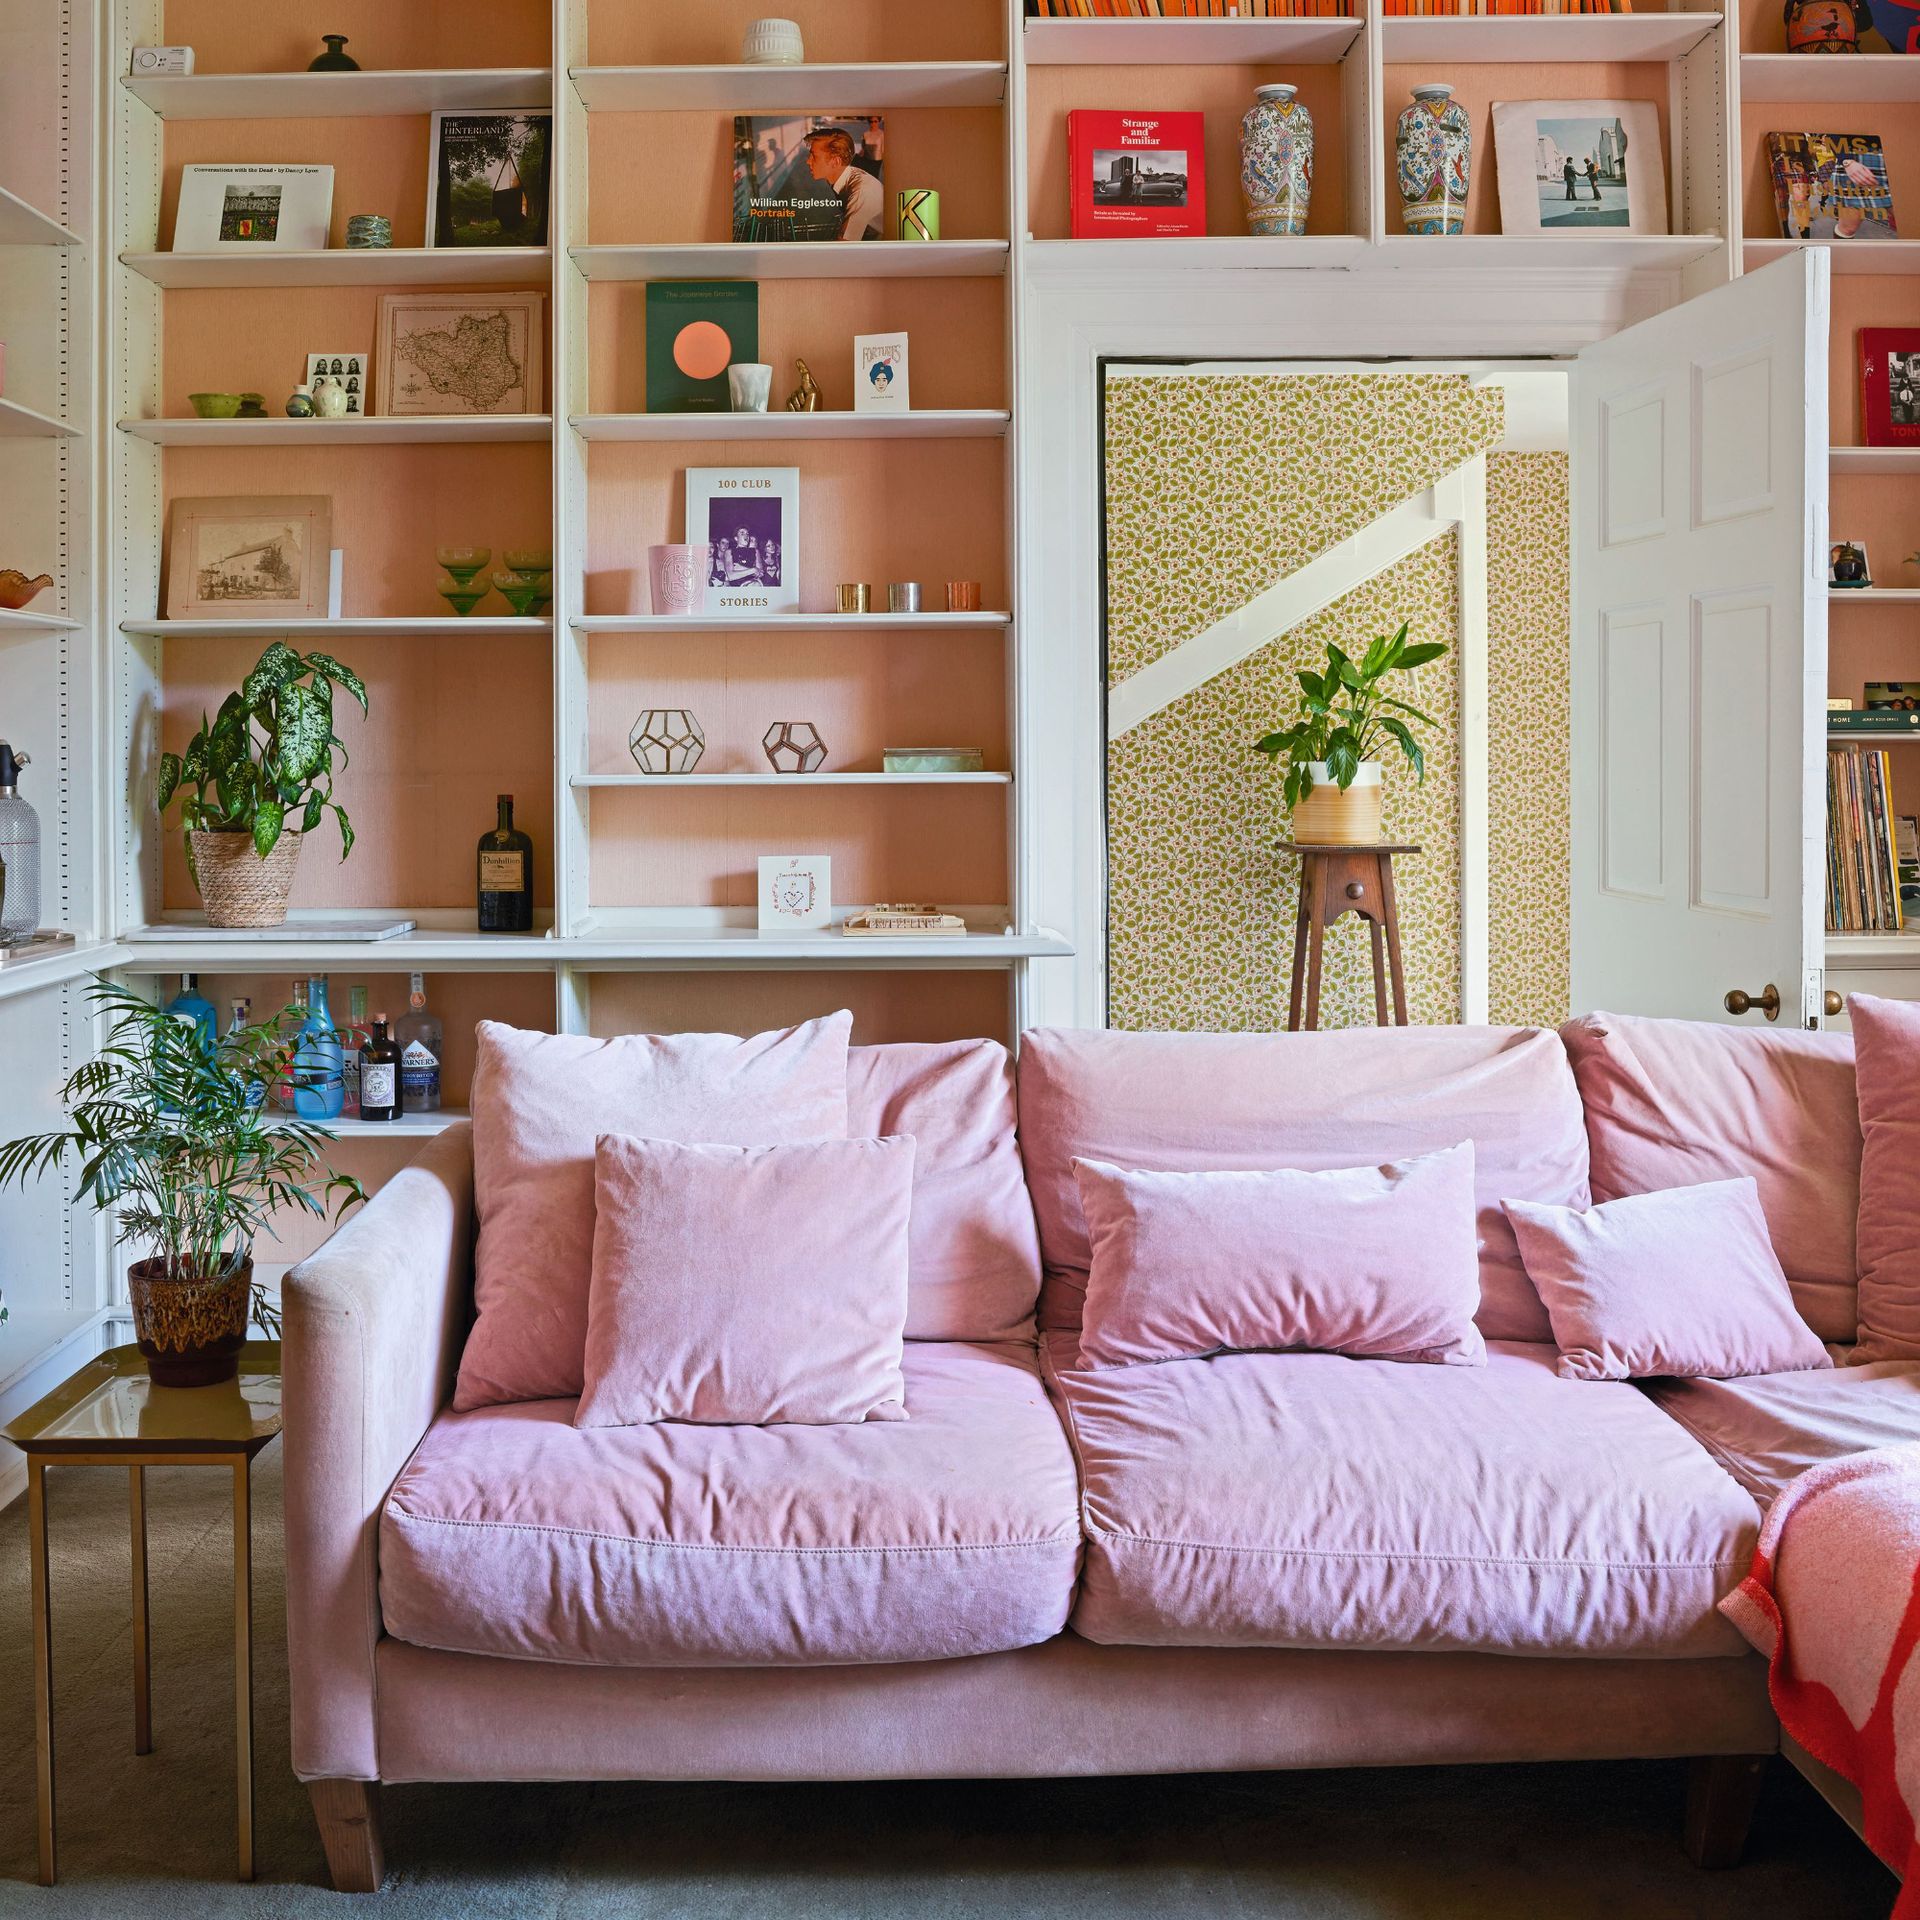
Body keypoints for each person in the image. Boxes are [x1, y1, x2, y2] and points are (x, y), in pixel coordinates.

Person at [803, 127, 884, 241]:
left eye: (814, 156)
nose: (808, 161)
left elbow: (845, 245)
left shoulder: (861, 190)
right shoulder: (843, 178)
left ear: (835, 162)